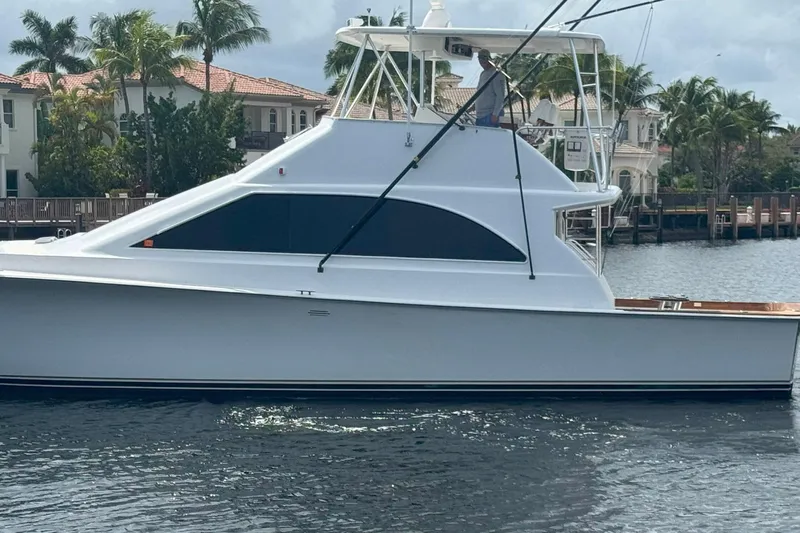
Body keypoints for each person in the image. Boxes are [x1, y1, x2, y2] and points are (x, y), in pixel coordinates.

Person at [474, 49, 505, 127]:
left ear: (489, 59)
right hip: (480, 116)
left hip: (490, 115)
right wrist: (471, 108)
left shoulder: (496, 73)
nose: (482, 61)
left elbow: (500, 96)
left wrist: (495, 114)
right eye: (480, 59)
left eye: (484, 58)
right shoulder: (483, 74)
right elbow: (480, 94)